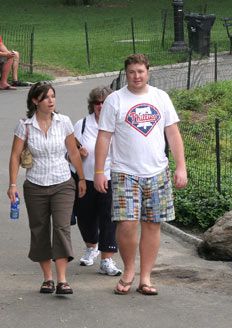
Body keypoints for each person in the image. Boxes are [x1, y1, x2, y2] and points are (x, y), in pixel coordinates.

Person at [94, 53, 187, 296]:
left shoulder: (160, 97)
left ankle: (146, 277)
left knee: (152, 225)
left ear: (148, 72)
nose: (137, 76)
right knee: (126, 224)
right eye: (132, 72)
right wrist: (99, 171)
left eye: (141, 71)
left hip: (157, 171)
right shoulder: (115, 100)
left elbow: (173, 133)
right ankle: (129, 270)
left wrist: (181, 167)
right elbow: (104, 137)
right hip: (125, 172)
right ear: (127, 74)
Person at [7, 82, 87, 295]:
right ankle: (47, 278)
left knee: (62, 228)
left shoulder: (64, 122)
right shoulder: (24, 125)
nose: (51, 101)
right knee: (40, 229)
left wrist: (81, 178)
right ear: (35, 101)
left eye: (53, 96)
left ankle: (62, 279)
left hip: (62, 183)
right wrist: (12, 185)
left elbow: (73, 152)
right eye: (46, 97)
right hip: (35, 185)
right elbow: (15, 156)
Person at [70, 86, 122, 276]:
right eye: (97, 103)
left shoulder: (118, 124)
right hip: (85, 180)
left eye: (104, 102)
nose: (101, 106)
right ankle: (92, 246)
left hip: (110, 178)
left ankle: (107, 260)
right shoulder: (82, 124)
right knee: (85, 218)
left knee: (109, 219)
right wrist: (77, 152)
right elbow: (70, 148)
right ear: (92, 105)